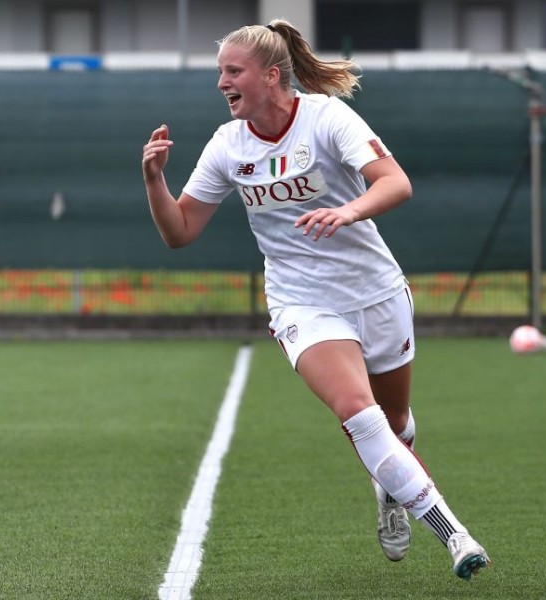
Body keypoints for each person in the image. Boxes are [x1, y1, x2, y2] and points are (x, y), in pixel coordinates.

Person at [141, 19, 490, 580]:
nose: (221, 83)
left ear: (272, 75)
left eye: (233, 71)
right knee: (359, 413)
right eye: (220, 72)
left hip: (375, 291)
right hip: (301, 302)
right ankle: (455, 536)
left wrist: (349, 210)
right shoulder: (227, 145)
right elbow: (179, 231)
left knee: (395, 419)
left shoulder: (326, 117)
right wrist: (155, 181)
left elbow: (395, 183)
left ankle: (389, 488)